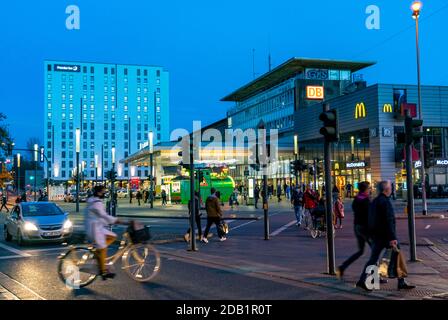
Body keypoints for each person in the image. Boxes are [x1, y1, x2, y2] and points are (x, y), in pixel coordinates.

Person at [356, 181, 415, 291]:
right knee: (397, 255)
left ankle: (362, 280)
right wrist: (392, 237)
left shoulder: (375, 201)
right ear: (385, 190)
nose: (391, 189)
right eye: (390, 187)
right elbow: (389, 221)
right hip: (386, 236)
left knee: (373, 259)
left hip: (377, 236)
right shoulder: (385, 202)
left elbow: (371, 219)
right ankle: (400, 281)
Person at [84, 185, 126, 279]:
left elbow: (99, 216)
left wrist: (108, 222)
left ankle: (99, 252)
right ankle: (103, 272)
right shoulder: (96, 203)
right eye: (103, 192)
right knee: (103, 247)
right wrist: (117, 220)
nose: (104, 193)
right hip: (94, 229)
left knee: (113, 236)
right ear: (99, 192)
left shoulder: (93, 200)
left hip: (96, 227)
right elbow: (104, 216)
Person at [337, 181, 371, 279]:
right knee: (375, 253)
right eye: (369, 189)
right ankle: (373, 276)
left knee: (360, 251)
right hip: (365, 228)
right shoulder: (366, 200)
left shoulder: (356, 199)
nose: (370, 190)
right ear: (365, 190)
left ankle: (343, 267)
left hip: (357, 227)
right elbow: (369, 215)